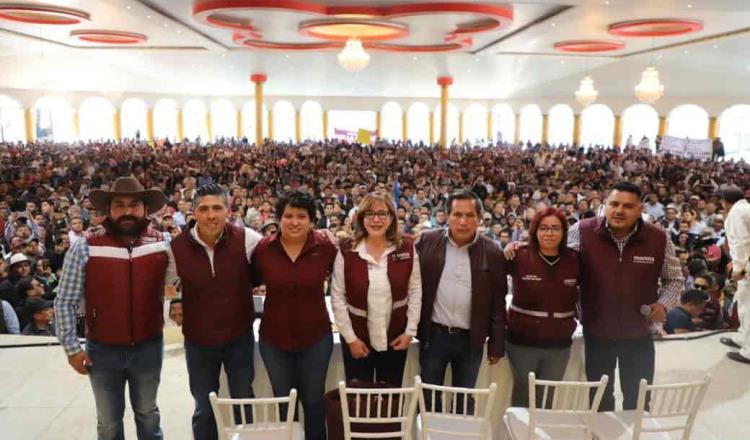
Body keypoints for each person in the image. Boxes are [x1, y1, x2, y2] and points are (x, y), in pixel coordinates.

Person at [55, 176, 172, 440]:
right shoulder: (86, 247)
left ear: (145, 208)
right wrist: (72, 349)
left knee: (148, 413)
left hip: (149, 346)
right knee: (108, 422)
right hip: (103, 350)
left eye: (134, 204)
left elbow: (178, 286)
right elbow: (64, 301)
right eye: (119, 205)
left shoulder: (162, 242)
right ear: (108, 210)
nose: (127, 211)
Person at [571, 181, 682, 410]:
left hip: (639, 335)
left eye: (628, 206)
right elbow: (561, 266)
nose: (619, 210)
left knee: (639, 401)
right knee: (600, 400)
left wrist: (663, 305)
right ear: (604, 205)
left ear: (641, 209)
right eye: (614, 204)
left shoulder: (660, 238)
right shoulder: (581, 231)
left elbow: (675, 280)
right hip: (597, 334)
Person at [170, 183, 262, 440]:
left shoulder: (248, 239)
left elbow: (275, 256)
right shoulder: (176, 248)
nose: (211, 215)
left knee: (244, 399)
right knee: (203, 405)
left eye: (217, 208)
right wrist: (174, 304)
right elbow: (168, 288)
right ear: (194, 213)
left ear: (228, 211)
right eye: (204, 209)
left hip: (239, 336)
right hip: (198, 340)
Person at [252, 190, 337, 440]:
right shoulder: (264, 249)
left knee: (313, 403)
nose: (295, 221)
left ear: (312, 220)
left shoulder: (325, 248)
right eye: (288, 215)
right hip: (274, 340)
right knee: (285, 405)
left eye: (302, 216)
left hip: (316, 339)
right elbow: (249, 280)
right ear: (279, 219)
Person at [415, 190, 507, 392]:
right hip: (434, 336)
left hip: (471, 340)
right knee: (429, 396)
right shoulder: (426, 242)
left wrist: (496, 344)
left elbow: (498, 303)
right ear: (447, 216)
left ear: (480, 219)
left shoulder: (492, 252)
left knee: (464, 402)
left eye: (470, 215)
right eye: (457, 215)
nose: (463, 222)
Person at [331, 191, 422, 386]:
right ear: (361, 218)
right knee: (358, 401)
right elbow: (337, 297)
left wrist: (409, 332)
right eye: (369, 214)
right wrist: (351, 339)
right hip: (357, 339)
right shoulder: (347, 249)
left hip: (396, 338)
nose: (376, 219)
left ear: (391, 217)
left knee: (390, 400)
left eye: (382, 213)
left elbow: (415, 291)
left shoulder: (406, 246)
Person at [506, 208, 580, 407]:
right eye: (544, 228)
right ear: (535, 230)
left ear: (564, 232)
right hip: (522, 342)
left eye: (555, 228)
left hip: (559, 344)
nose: (549, 233)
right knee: (523, 393)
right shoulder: (518, 255)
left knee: (547, 397)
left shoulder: (575, 259)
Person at [721, 186, 750, 364]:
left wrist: (738, 268)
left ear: (725, 201)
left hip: (747, 264)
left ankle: (749, 351)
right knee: (744, 303)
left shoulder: (736, 212)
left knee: (748, 307)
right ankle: (743, 338)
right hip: (747, 262)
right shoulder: (745, 208)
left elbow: (741, 241)